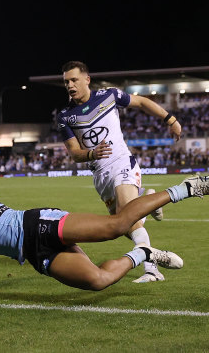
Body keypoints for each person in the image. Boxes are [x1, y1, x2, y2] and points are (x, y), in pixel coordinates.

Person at [0, 167, 209, 290]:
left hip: (37, 225)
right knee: (97, 281)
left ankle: (188, 188)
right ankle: (144, 253)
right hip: (32, 254)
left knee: (117, 224)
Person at [57, 61, 183, 283]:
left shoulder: (109, 96)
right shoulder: (66, 116)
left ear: (87, 79)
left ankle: (152, 269)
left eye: (74, 80)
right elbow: (75, 153)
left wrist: (170, 119)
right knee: (123, 225)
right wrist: (92, 154)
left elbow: (142, 101)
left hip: (121, 162)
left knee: (129, 216)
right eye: (66, 81)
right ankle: (147, 199)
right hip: (100, 175)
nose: (70, 85)